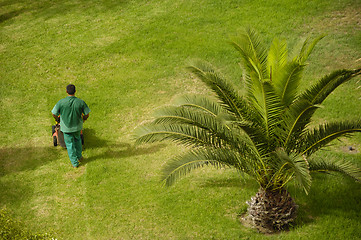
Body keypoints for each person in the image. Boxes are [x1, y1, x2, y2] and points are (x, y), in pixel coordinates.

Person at [52, 84, 90, 168]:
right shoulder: (80, 102)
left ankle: (75, 163)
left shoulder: (61, 102)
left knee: (69, 145)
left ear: (66, 91)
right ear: (75, 91)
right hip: (77, 127)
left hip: (66, 128)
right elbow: (87, 114)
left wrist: (58, 119)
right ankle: (79, 157)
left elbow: (54, 113)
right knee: (78, 141)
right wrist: (84, 119)